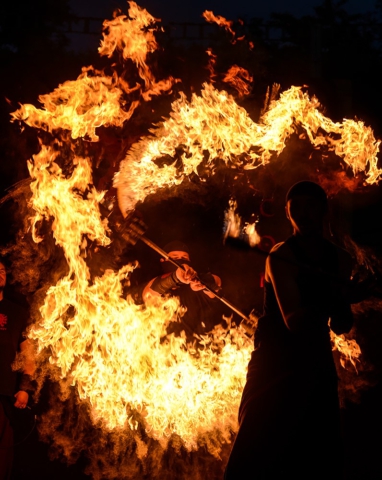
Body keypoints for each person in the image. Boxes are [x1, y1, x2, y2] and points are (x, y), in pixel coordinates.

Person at [224, 181, 362, 480]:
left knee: (320, 459)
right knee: (252, 456)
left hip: (315, 362)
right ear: (288, 214)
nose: (303, 213)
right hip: (274, 361)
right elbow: (296, 321)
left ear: (323, 210)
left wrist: (349, 296)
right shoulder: (280, 256)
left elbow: (341, 324)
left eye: (309, 206)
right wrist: (339, 294)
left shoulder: (340, 259)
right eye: (295, 207)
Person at [140, 241, 227, 339]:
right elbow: (149, 294)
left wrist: (202, 281)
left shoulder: (196, 287)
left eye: (184, 258)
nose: (181, 260)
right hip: (162, 348)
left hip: (200, 348)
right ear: (163, 260)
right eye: (175, 258)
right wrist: (176, 276)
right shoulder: (156, 282)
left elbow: (217, 282)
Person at [0, 258, 34, 480]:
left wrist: (25, 387)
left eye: (2, 269)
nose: (0, 272)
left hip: (3, 396)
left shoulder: (18, 312)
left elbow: (28, 355)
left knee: (2, 459)